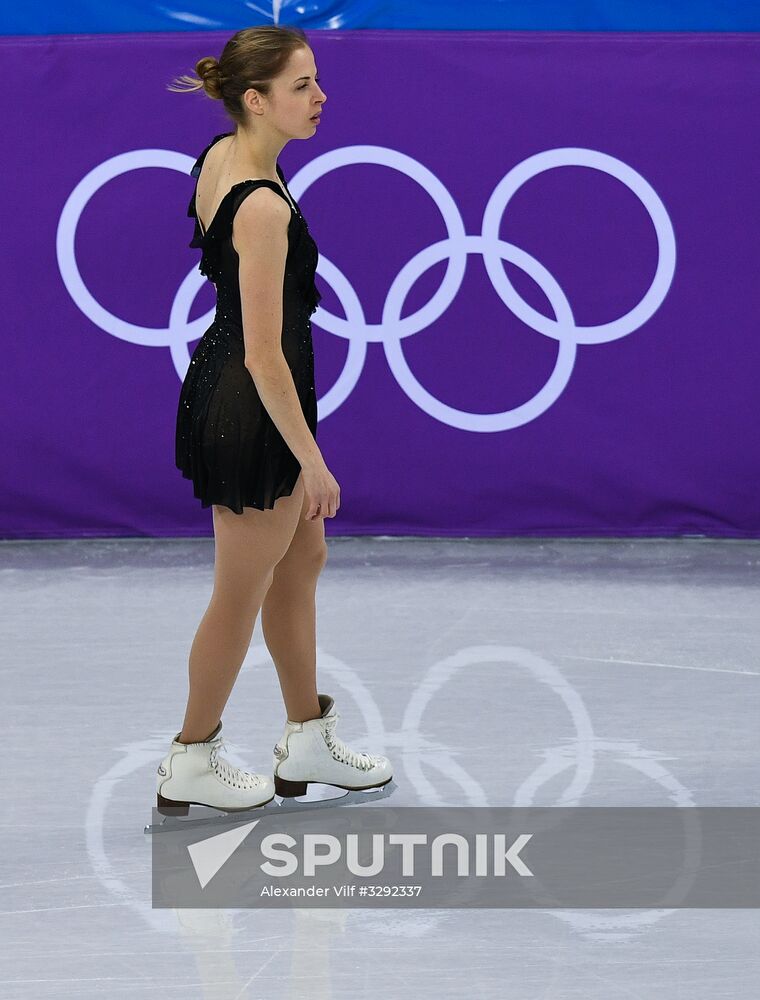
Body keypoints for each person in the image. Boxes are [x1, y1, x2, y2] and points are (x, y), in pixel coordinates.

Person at [157, 25, 392, 816]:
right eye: (301, 86)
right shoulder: (260, 207)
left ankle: (309, 739)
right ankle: (191, 756)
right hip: (250, 406)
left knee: (301, 560)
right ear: (255, 100)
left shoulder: (223, 155)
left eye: (316, 79)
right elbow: (266, 357)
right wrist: (314, 462)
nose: (320, 97)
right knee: (239, 591)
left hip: (238, 391)